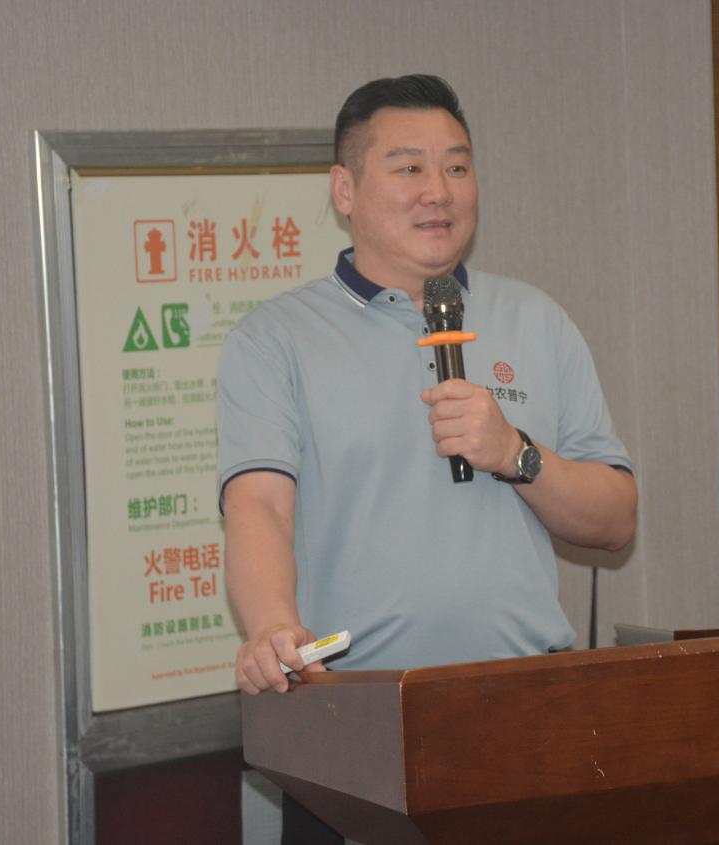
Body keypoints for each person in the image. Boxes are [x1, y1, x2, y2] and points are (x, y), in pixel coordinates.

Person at [216, 74, 637, 843]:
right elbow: (259, 503)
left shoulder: (537, 320)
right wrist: (273, 627)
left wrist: (515, 452)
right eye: (408, 167)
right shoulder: (276, 339)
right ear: (344, 189)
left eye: (456, 166)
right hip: (354, 716)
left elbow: (615, 519)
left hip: (525, 712)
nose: (438, 191)